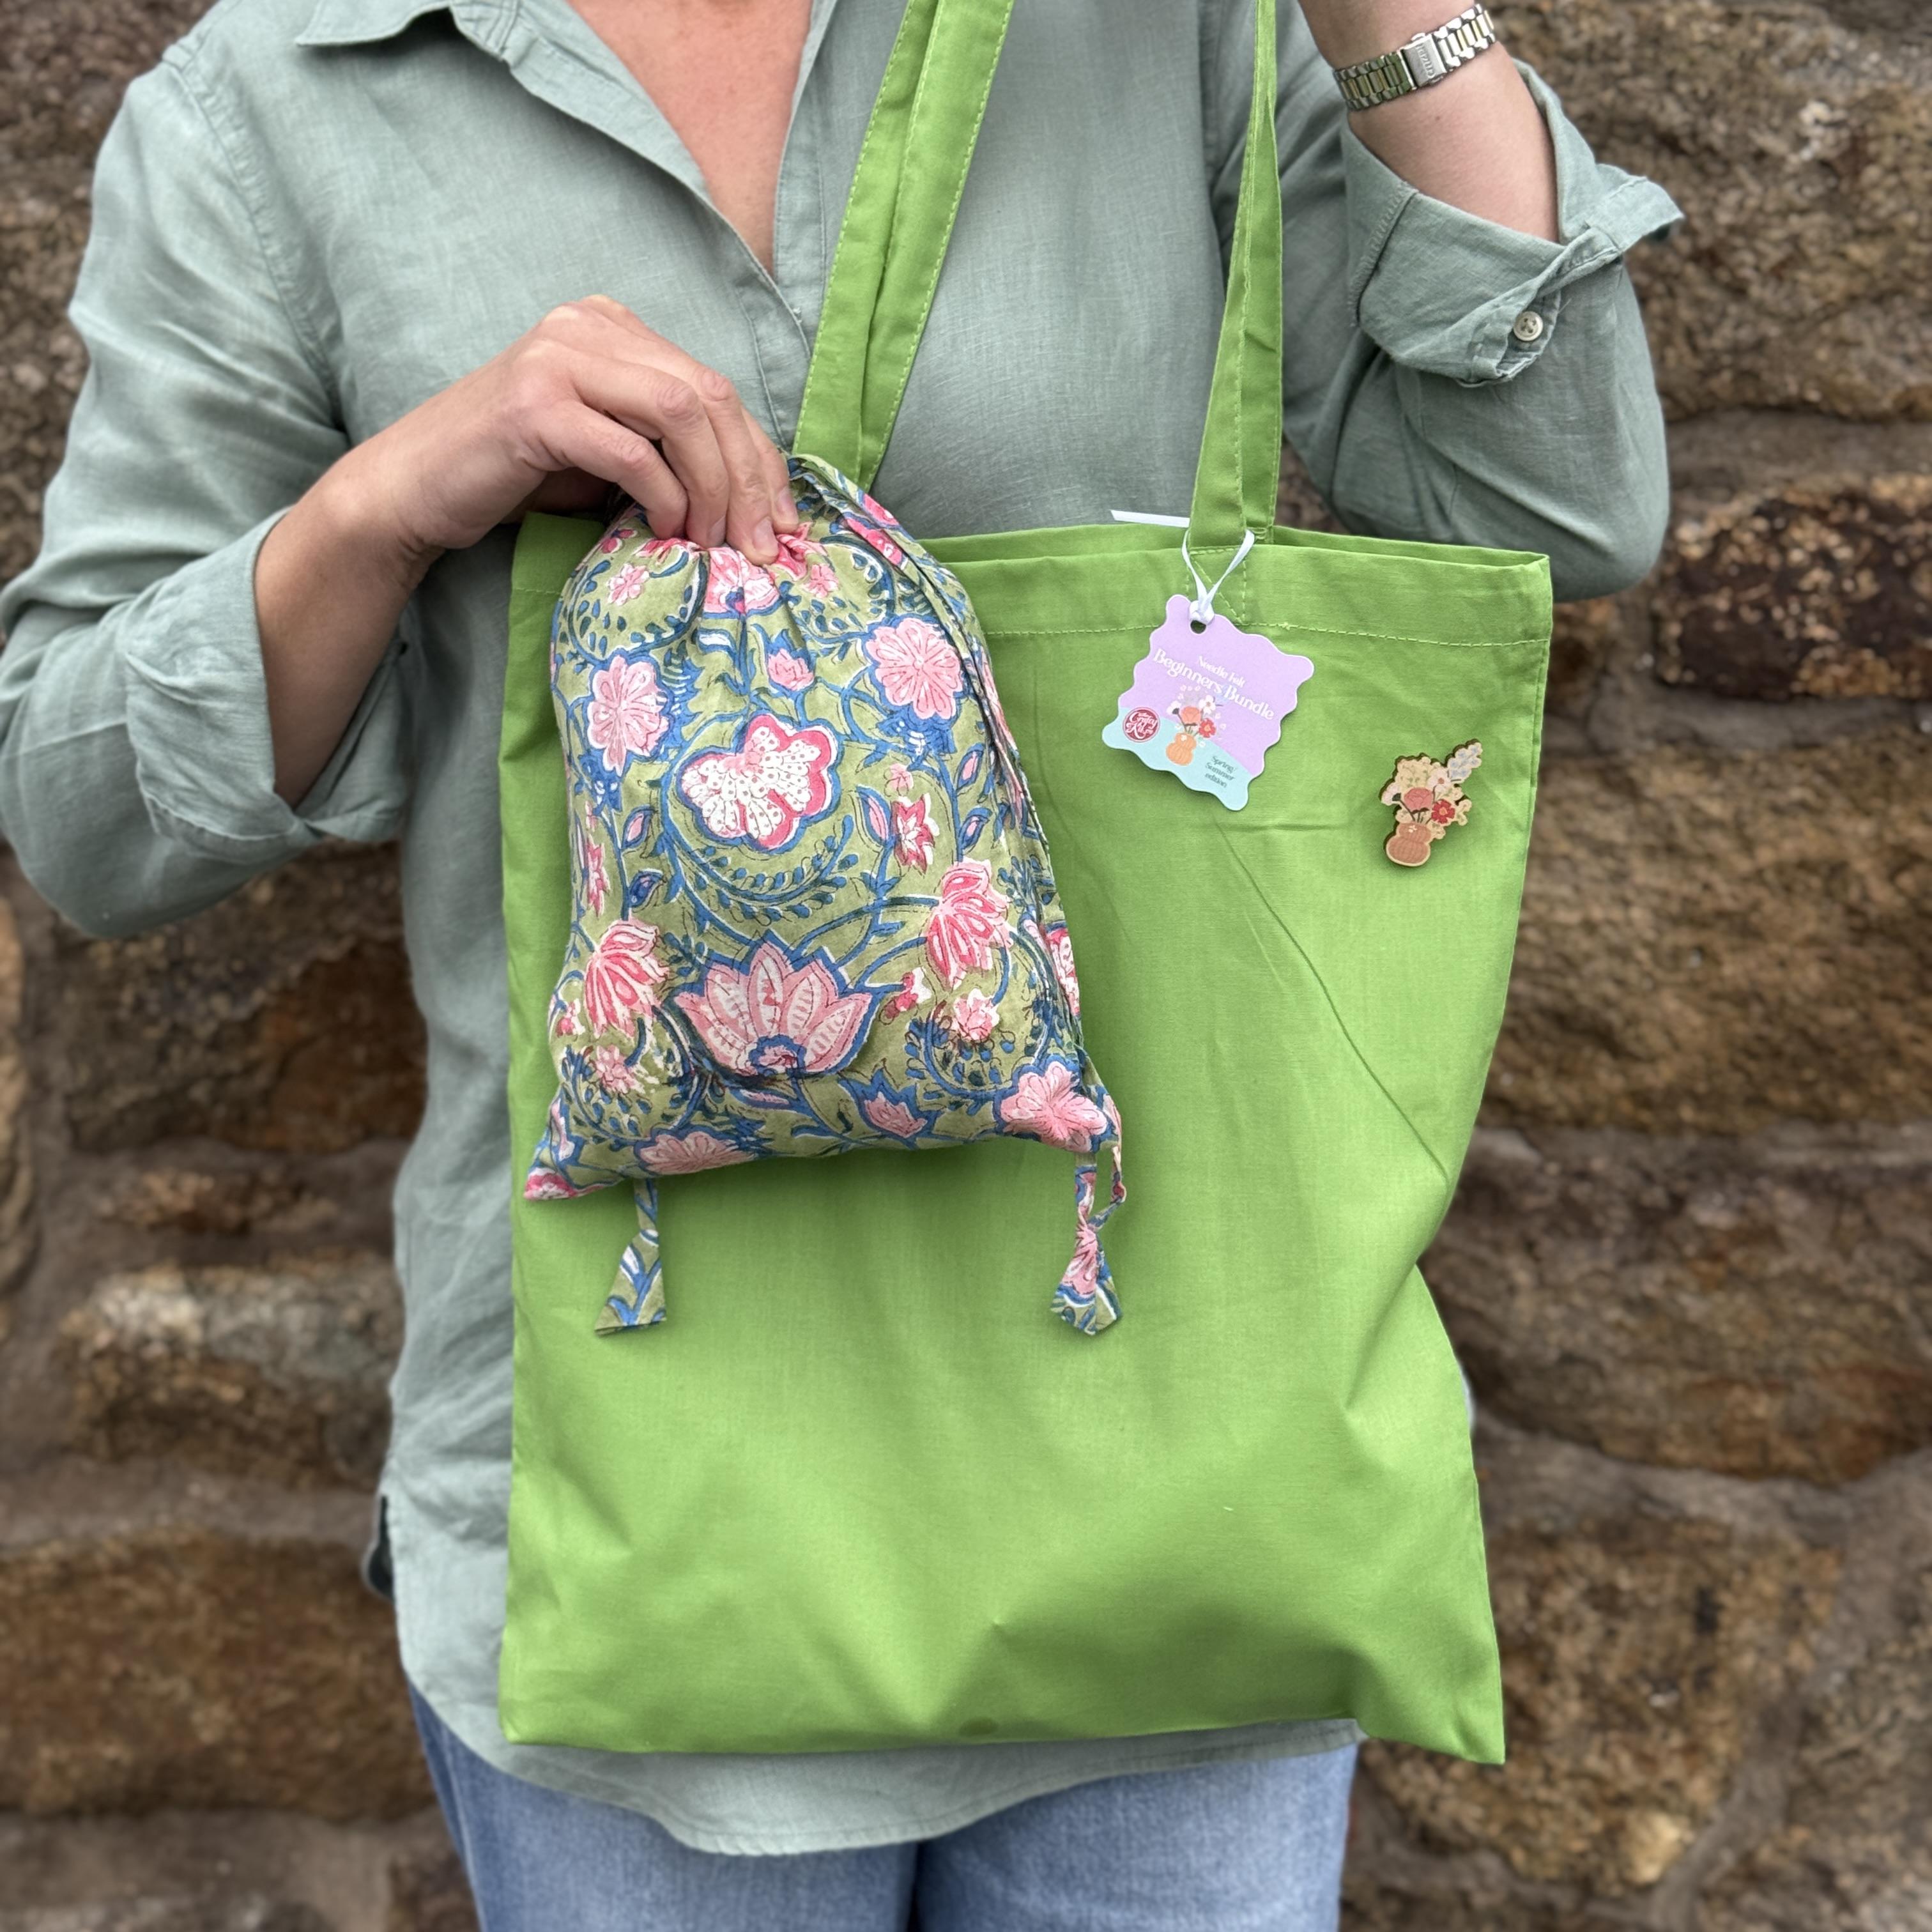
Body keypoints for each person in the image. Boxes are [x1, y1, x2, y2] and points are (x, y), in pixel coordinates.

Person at [0, 0, 1679, 1924]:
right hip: (643, 1510)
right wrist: (388, 504)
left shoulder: (1168, 28)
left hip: (1183, 1485)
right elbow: (86, 814)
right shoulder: (282, 99)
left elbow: (1555, 507)